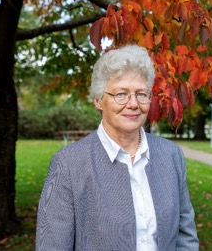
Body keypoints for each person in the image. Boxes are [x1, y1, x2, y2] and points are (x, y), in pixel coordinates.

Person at [36, 44, 199, 251]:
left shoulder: (171, 156)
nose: (133, 104)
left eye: (141, 94)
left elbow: (186, 237)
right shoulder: (69, 164)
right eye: (121, 94)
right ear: (98, 100)